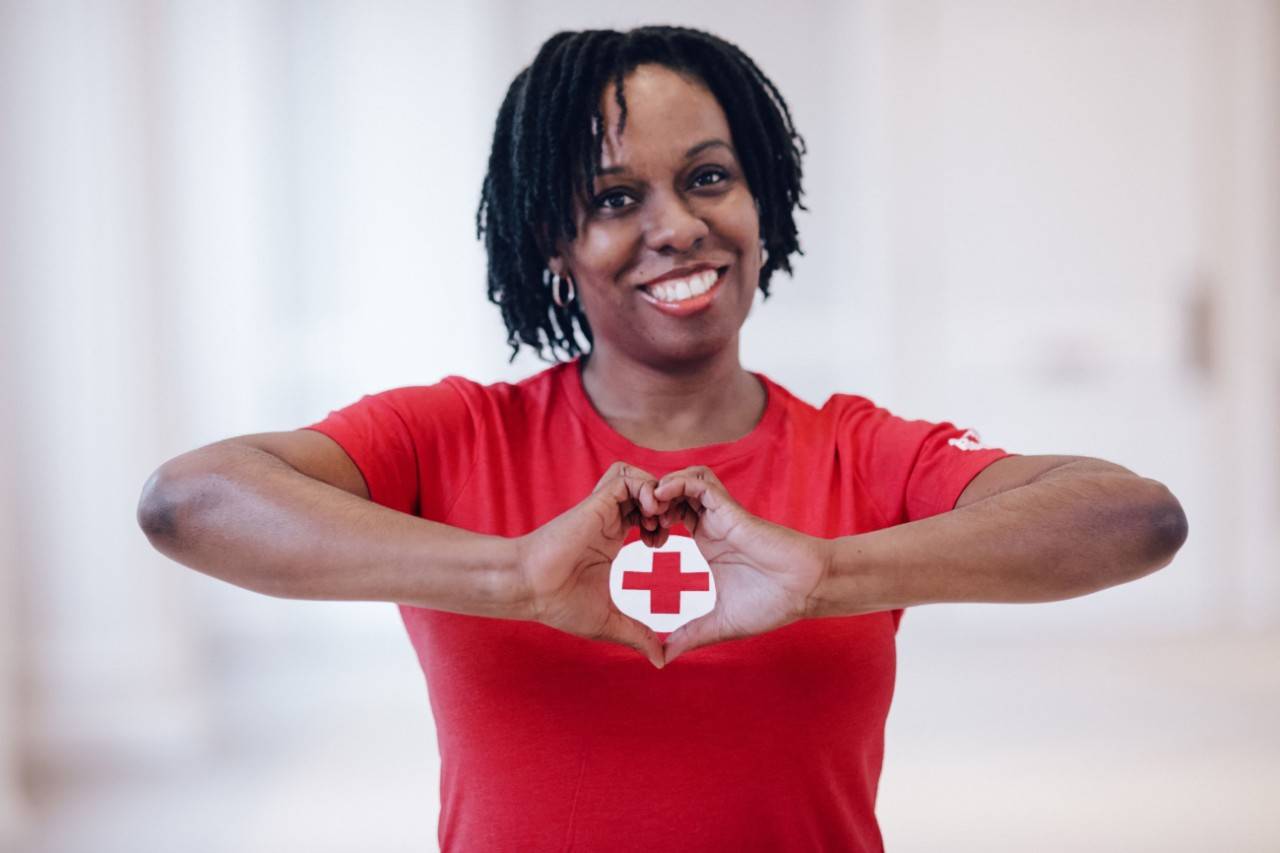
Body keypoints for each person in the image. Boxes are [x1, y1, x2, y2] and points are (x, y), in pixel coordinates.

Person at [137, 25, 1189, 853]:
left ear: (759, 201)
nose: (676, 224)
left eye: (707, 176)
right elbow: (192, 501)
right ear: (552, 243)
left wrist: (823, 571)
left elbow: (1130, 517)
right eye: (612, 197)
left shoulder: (856, 452)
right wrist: (511, 574)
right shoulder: (455, 435)